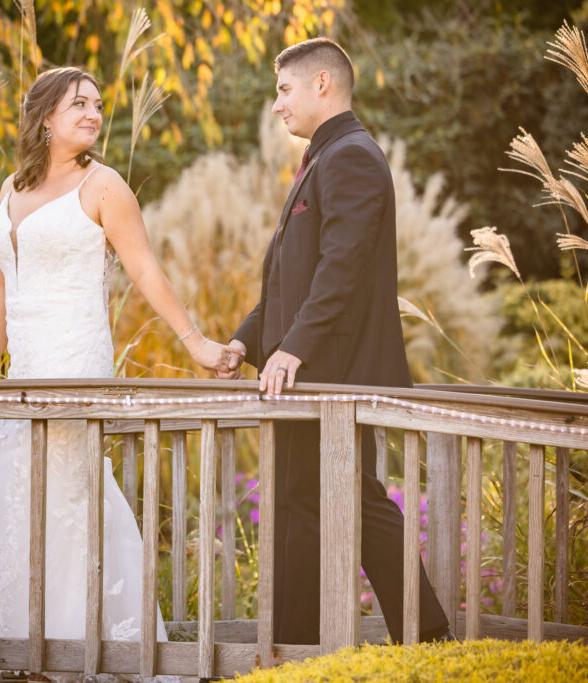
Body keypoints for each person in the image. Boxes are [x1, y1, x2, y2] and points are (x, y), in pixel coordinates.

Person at [0, 66, 233, 679]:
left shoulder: (104, 186)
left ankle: (81, 652)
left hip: (75, 362)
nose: (93, 113)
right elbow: (2, 280)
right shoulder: (10, 189)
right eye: (79, 104)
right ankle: (13, 650)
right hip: (20, 373)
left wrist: (198, 344)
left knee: (72, 501)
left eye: (98, 105)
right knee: (16, 495)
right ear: (45, 116)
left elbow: (146, 272)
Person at [218, 37, 453, 644]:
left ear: (322, 83)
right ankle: (306, 641)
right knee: (310, 502)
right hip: (307, 371)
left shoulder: (351, 155)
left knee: (344, 501)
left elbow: (341, 268)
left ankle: (416, 638)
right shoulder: (324, 157)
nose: (277, 106)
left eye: (284, 90)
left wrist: (293, 348)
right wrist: (247, 343)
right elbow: (289, 277)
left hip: (331, 373)